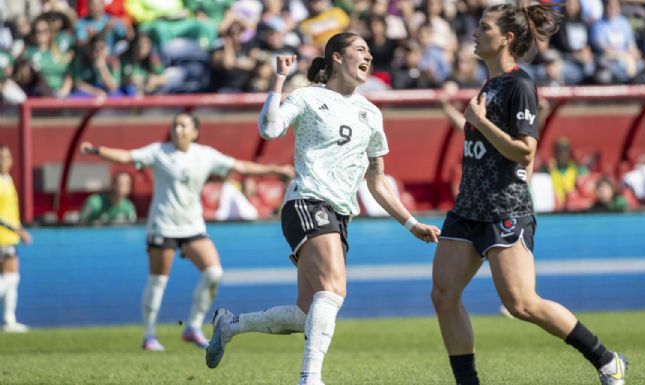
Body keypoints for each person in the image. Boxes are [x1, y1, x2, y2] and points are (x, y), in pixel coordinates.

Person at [205, 33, 441, 385]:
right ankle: (310, 379)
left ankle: (230, 324)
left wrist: (411, 222)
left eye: (369, 51)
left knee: (306, 313)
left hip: (339, 215)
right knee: (333, 289)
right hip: (307, 200)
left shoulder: (371, 113)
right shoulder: (308, 97)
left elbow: (377, 182)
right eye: (360, 49)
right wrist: (279, 79)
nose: (368, 56)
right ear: (335, 57)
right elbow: (269, 129)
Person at [430, 4, 629, 385]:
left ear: (506, 38)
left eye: (483, 27)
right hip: (467, 209)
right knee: (443, 294)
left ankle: (607, 360)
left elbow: (525, 151)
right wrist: (474, 124)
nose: (474, 33)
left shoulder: (519, 84)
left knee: (522, 304)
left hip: (504, 211)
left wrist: (479, 122)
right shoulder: (489, 83)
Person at [80, 112, 294, 351]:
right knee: (158, 281)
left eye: (183, 125)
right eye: (175, 124)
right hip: (163, 225)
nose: (178, 129)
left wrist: (276, 170)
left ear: (195, 132)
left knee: (214, 272)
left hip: (193, 226)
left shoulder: (205, 155)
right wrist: (97, 151)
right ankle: (149, 335)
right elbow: (127, 156)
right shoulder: (159, 151)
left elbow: (241, 166)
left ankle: (192, 326)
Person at [0, 145, 32, 333]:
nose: (4, 160)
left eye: (6, 156)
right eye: (0, 156)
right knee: (11, 277)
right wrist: (16, 229)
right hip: (4, 236)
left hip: (9, 237)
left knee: (10, 277)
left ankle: (9, 319)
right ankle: (9, 319)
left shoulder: (8, 179)